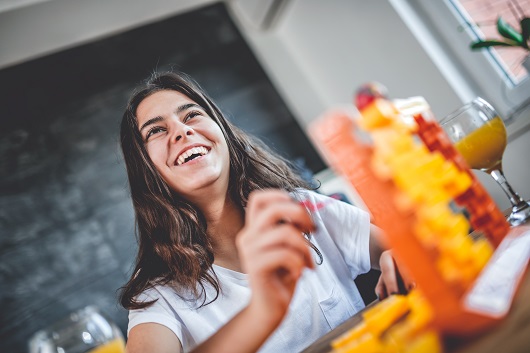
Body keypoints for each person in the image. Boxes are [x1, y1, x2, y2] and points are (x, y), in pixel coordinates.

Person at [119, 71, 405, 353]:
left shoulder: (303, 209)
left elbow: (408, 253)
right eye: (156, 130)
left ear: (222, 131)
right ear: (144, 168)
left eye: (191, 115)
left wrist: (406, 257)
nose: (182, 130)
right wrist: (263, 311)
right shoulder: (158, 295)